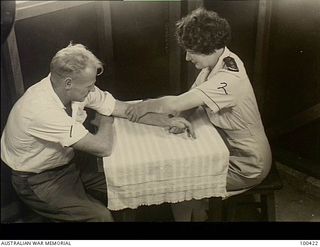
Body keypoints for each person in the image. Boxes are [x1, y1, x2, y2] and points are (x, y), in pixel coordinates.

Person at [0, 43, 194, 222]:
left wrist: (166, 121)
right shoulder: (41, 109)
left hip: (68, 162)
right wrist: (105, 119)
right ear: (68, 83)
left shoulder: (75, 89)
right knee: (100, 218)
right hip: (38, 179)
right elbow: (103, 148)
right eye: (89, 86)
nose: (93, 89)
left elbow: (122, 109)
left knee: (133, 186)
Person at [126, 7, 272, 221]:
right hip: (226, 147)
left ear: (209, 47)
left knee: (181, 182)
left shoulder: (230, 78)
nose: (186, 58)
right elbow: (192, 99)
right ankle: (197, 212)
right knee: (179, 165)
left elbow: (176, 103)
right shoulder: (218, 62)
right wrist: (183, 117)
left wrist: (144, 106)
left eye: (191, 51)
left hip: (246, 164)